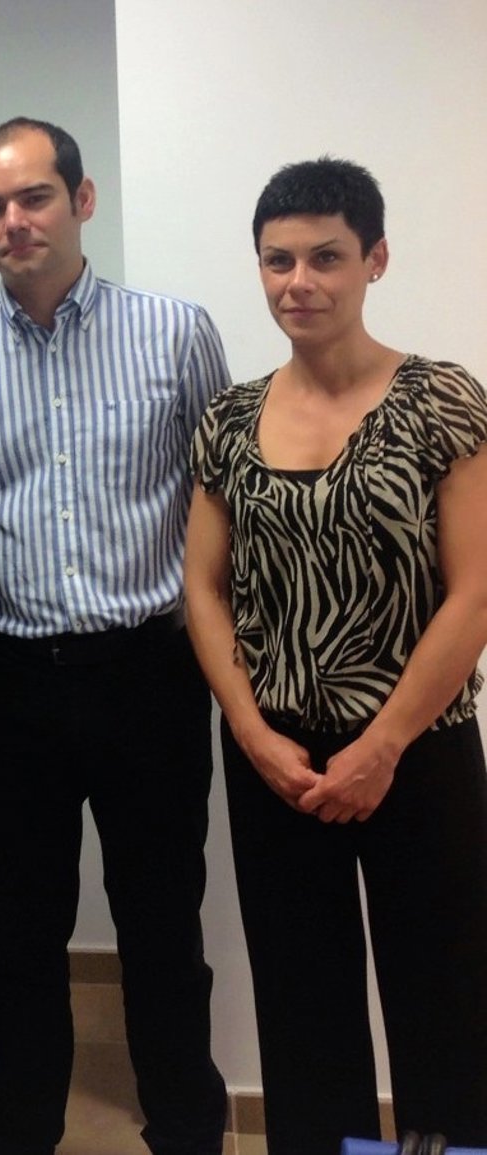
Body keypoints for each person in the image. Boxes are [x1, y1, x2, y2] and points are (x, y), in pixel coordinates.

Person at [0, 117, 229, 1155]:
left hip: (149, 670)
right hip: (6, 679)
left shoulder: (176, 333)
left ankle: (185, 1127)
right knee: (23, 930)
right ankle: (21, 1134)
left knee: (162, 921)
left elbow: (220, 500)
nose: (14, 222)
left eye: (35, 197)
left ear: (82, 199)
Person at [183, 157, 487, 1154]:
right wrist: (249, 729)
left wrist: (383, 745)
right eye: (278, 261)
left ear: (375, 259)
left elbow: (474, 592)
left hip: (418, 750)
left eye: (325, 257)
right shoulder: (229, 419)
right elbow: (203, 589)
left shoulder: (443, 401)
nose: (298, 282)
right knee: (303, 1004)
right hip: (277, 759)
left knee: (446, 995)